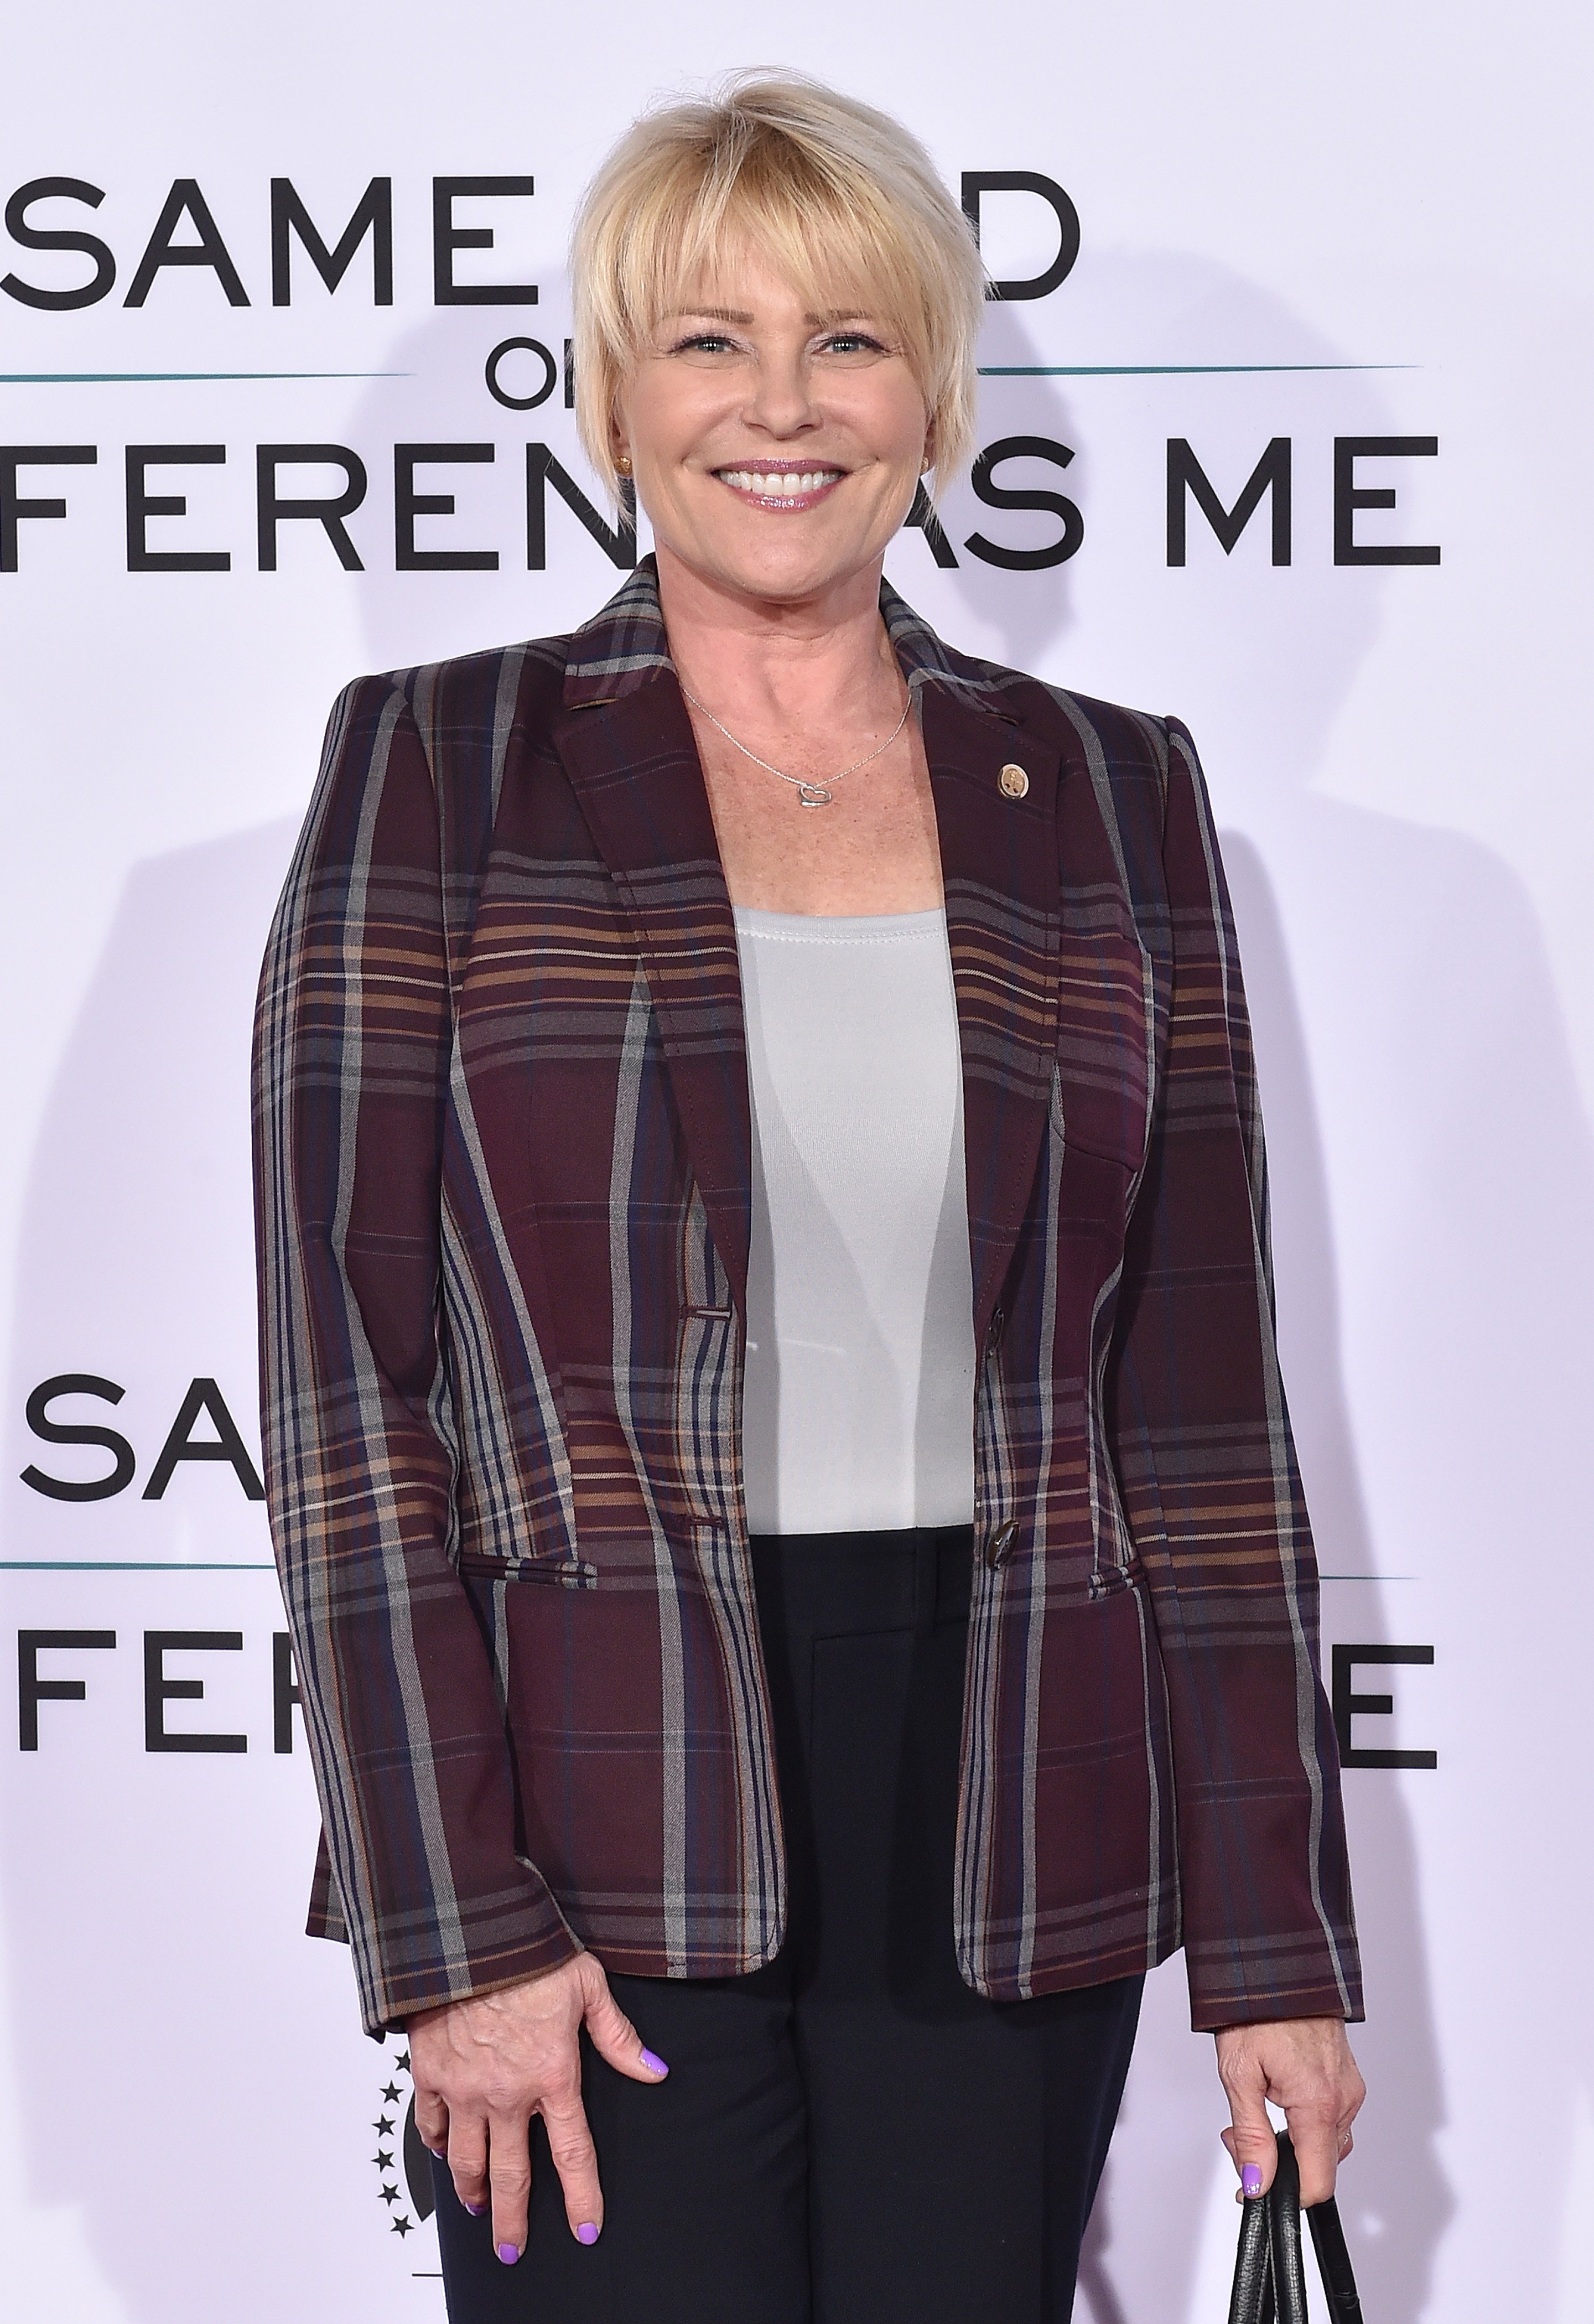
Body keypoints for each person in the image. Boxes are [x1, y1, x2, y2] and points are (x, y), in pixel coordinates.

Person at [253, 71, 1365, 2324]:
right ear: (605, 401)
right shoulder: (436, 768)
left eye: (848, 340)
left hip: (1010, 1808)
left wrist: (1269, 1945)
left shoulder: (1114, 798)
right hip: (586, 1808)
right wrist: (448, 1922)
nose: (782, 405)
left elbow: (1199, 1421)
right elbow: (346, 1390)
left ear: (931, 397)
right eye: (706, 342)